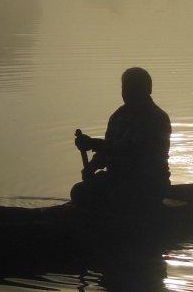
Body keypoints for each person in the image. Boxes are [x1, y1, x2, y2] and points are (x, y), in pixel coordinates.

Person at [71, 67, 171, 210]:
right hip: (117, 177)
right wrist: (92, 166)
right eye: (125, 88)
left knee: (118, 198)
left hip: (149, 181)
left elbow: (131, 149)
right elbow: (107, 150)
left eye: (133, 89)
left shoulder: (157, 118)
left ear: (147, 90)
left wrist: (93, 143)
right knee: (79, 192)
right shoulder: (118, 116)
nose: (127, 93)